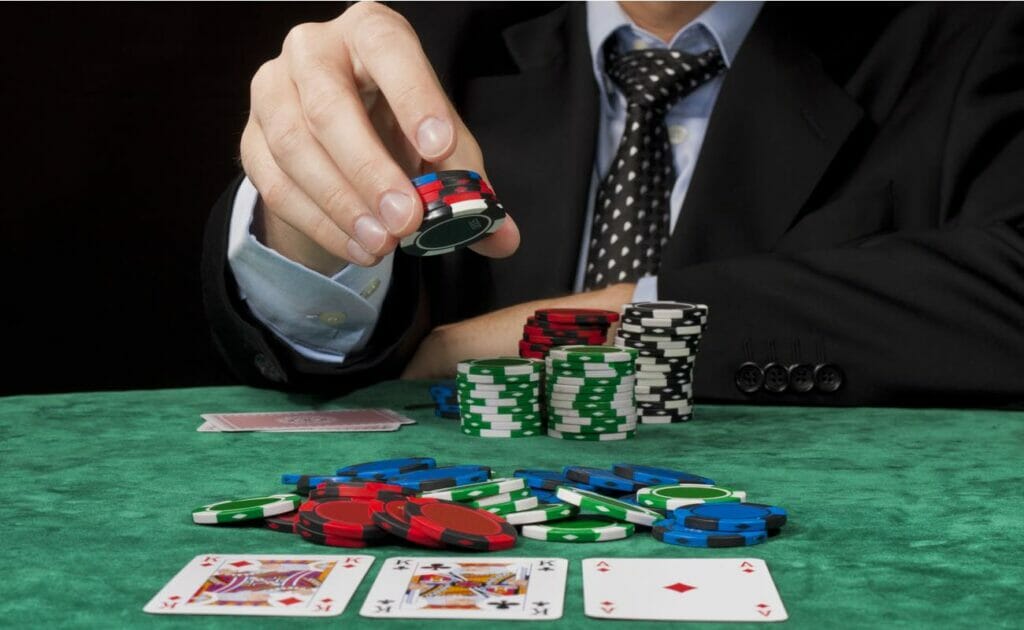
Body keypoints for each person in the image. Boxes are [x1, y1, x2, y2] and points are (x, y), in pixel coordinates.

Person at [202, 1, 1024, 406]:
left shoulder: (972, 41)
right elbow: (322, 358)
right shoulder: (433, 36)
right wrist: (319, 241)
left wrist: (615, 329)